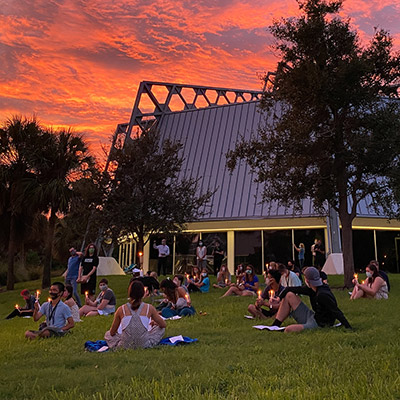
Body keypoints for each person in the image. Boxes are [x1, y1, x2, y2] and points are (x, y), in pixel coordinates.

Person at [268, 267, 352, 332]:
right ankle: (275, 325)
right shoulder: (311, 289)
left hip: (319, 324)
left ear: (307, 280)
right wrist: (279, 298)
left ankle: (280, 329)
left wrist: (348, 327)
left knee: (288, 330)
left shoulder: (322, 294)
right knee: (289, 295)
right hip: (313, 316)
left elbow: (336, 311)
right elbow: (289, 289)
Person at [105, 281, 166, 349]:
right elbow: (163, 325)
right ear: (143, 293)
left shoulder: (121, 309)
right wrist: (155, 323)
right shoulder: (149, 308)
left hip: (125, 345)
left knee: (107, 334)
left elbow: (112, 332)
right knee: (161, 329)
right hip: (144, 344)